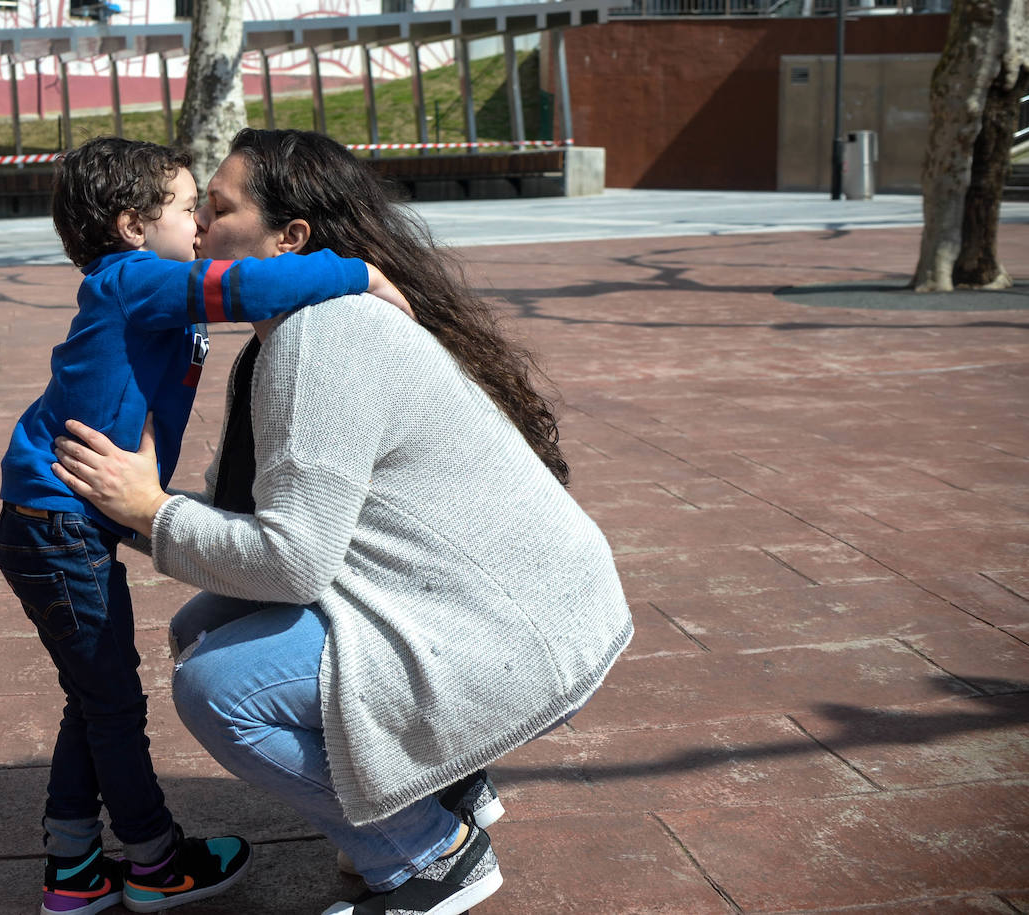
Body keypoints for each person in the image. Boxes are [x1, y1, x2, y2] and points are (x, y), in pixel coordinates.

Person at [50, 128, 634, 915]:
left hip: (516, 629)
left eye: (215, 209)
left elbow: (292, 562)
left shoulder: (319, 337)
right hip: (466, 599)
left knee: (218, 689)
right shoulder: (277, 341)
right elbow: (261, 531)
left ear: (289, 241)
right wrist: (148, 509)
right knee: (201, 626)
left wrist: (154, 513)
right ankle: (449, 784)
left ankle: (430, 856)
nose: (196, 229)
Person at [0, 134, 408, 915]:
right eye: (189, 209)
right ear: (130, 225)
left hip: (62, 525)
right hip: (56, 527)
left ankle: (74, 864)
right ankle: (150, 859)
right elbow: (249, 286)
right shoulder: (138, 279)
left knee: (96, 696)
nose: (200, 226)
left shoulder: (140, 280)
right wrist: (362, 272)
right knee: (112, 703)